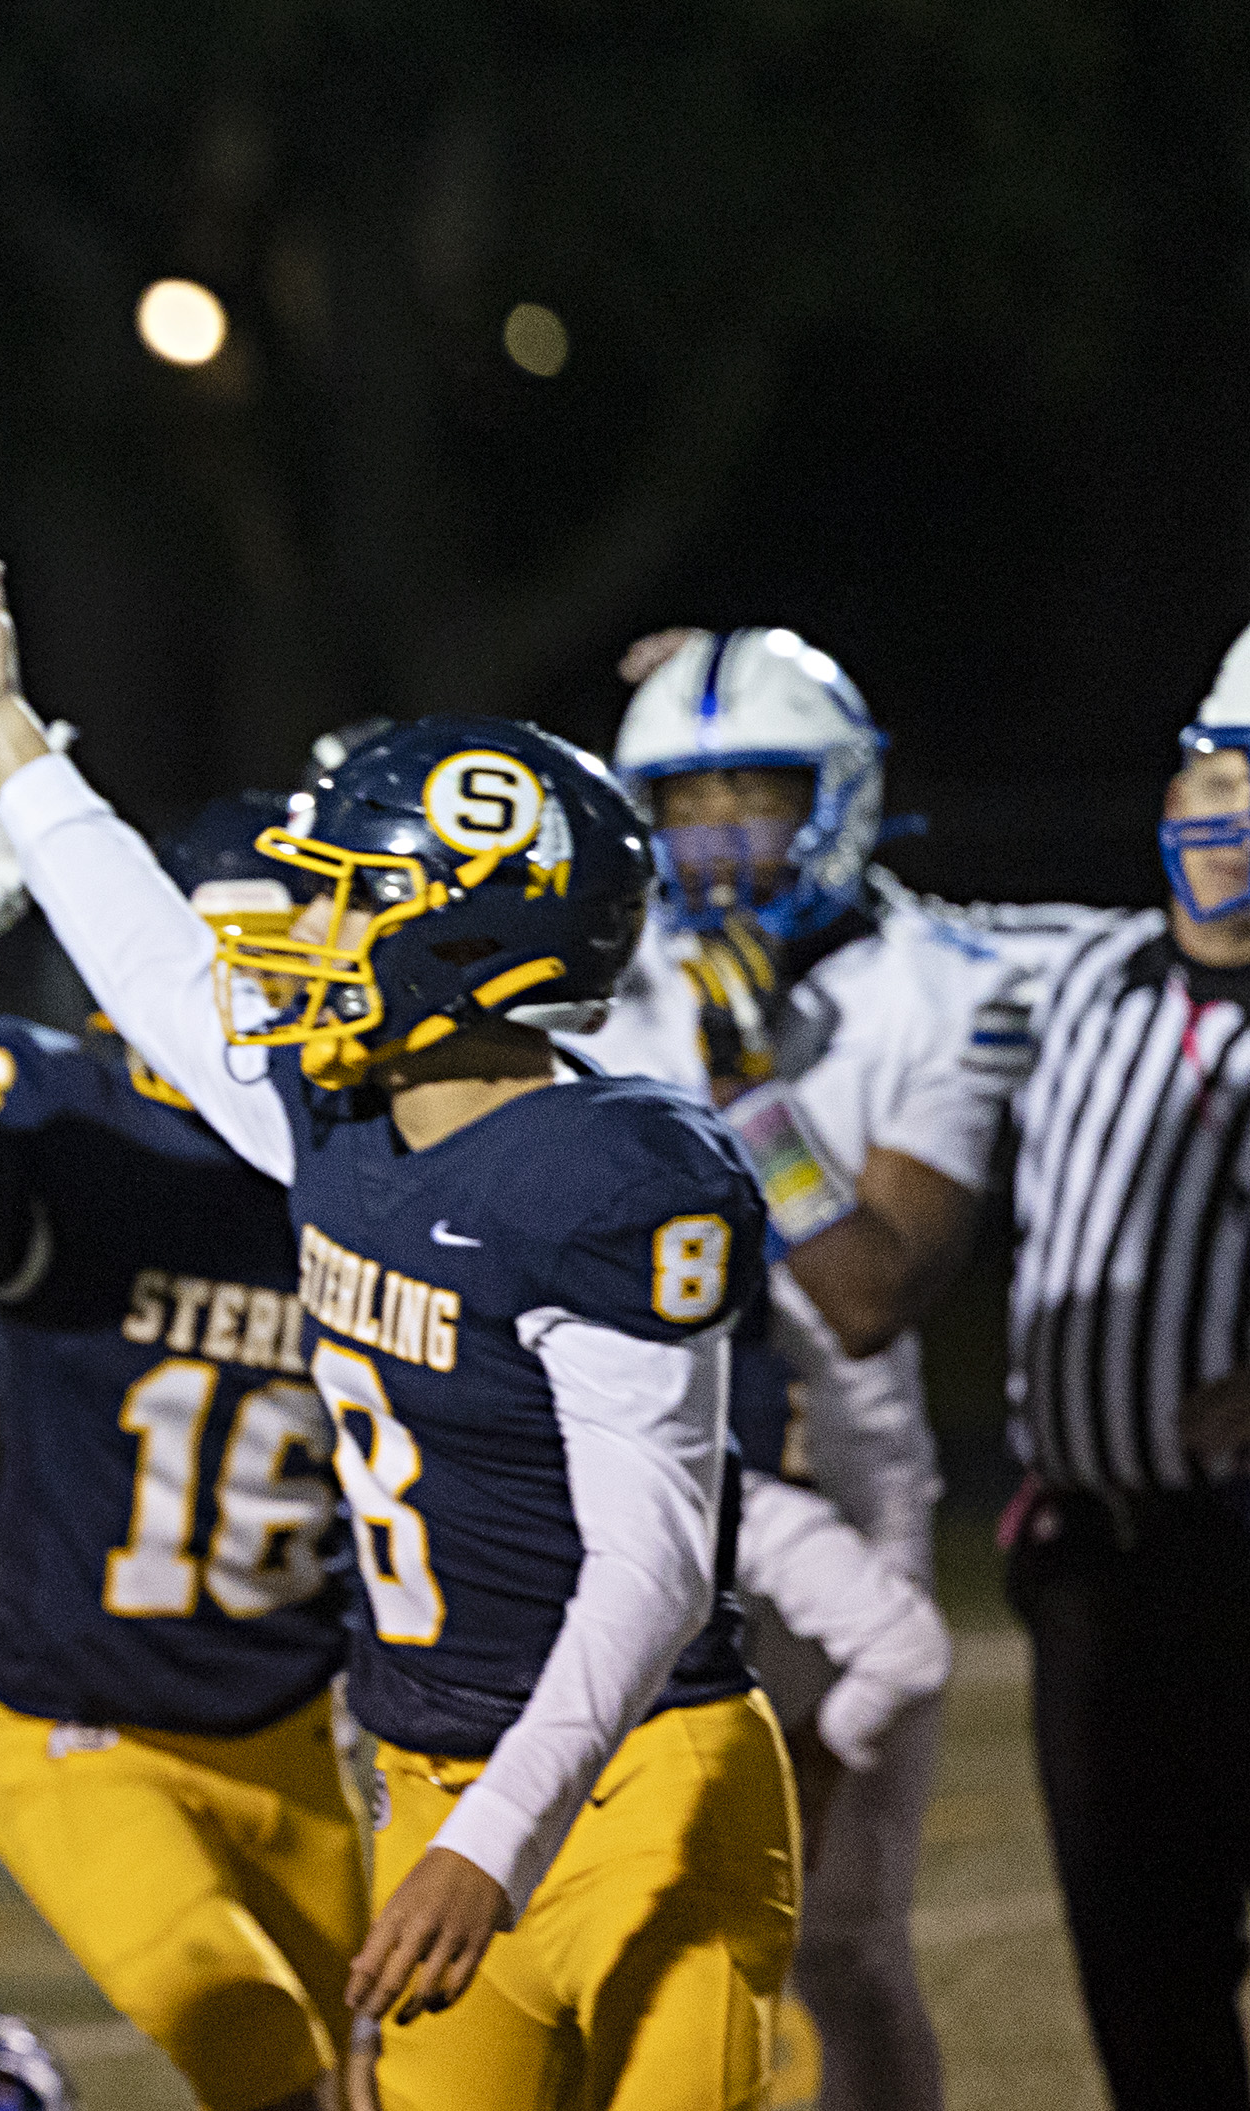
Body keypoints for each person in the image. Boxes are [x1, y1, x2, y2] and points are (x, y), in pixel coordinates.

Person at [0, 556, 794, 2110]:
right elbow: (158, 967)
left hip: (644, 1783)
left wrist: (489, 1847)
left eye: (348, 895)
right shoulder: (339, 1123)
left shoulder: (607, 1180)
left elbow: (652, 1570)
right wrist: (3, 734)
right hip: (429, 1775)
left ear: (468, 937)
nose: (299, 929)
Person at [0, 789, 363, 2111]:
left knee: (408, 2066)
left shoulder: (366, 1166)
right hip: (92, 1733)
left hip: (303, 1727)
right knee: (262, 2049)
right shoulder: (79, 1127)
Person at [569, 626, 989, 2111]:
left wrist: (752, 1089)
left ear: (838, 794)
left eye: (749, 792)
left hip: (838, 1505)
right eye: (678, 805)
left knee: (845, 1943)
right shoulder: (605, 963)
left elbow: (866, 1291)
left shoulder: (934, 986)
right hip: (619, 1492)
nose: (716, 839)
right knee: (609, 1917)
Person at [994, 623, 1250, 2111]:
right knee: (1144, 1990)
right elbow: (890, 933)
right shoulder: (1077, 974)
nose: (1227, 827)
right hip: (1099, 1566)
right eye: (1209, 786)